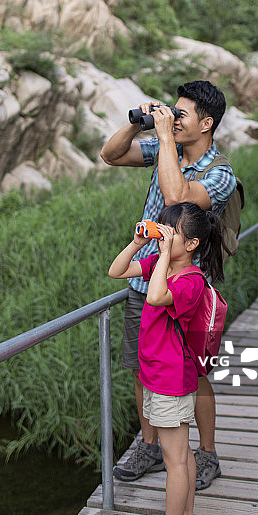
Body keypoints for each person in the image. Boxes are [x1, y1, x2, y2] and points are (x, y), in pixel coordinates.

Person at [100, 80, 236, 489]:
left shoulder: (221, 174)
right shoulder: (167, 149)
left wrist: (162, 137)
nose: (174, 119)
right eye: (172, 112)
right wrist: (137, 124)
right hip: (145, 284)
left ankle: (207, 454)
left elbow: (178, 195)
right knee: (143, 370)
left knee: (194, 373)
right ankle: (149, 445)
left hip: (186, 293)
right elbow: (111, 155)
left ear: (207, 123)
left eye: (183, 114)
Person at [108, 202, 225, 515]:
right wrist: (138, 242)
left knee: (174, 460)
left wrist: (160, 257)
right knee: (181, 454)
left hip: (170, 379)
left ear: (191, 245)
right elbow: (117, 271)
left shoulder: (189, 280)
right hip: (164, 376)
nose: (164, 233)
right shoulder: (166, 265)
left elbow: (157, 296)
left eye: (171, 231)